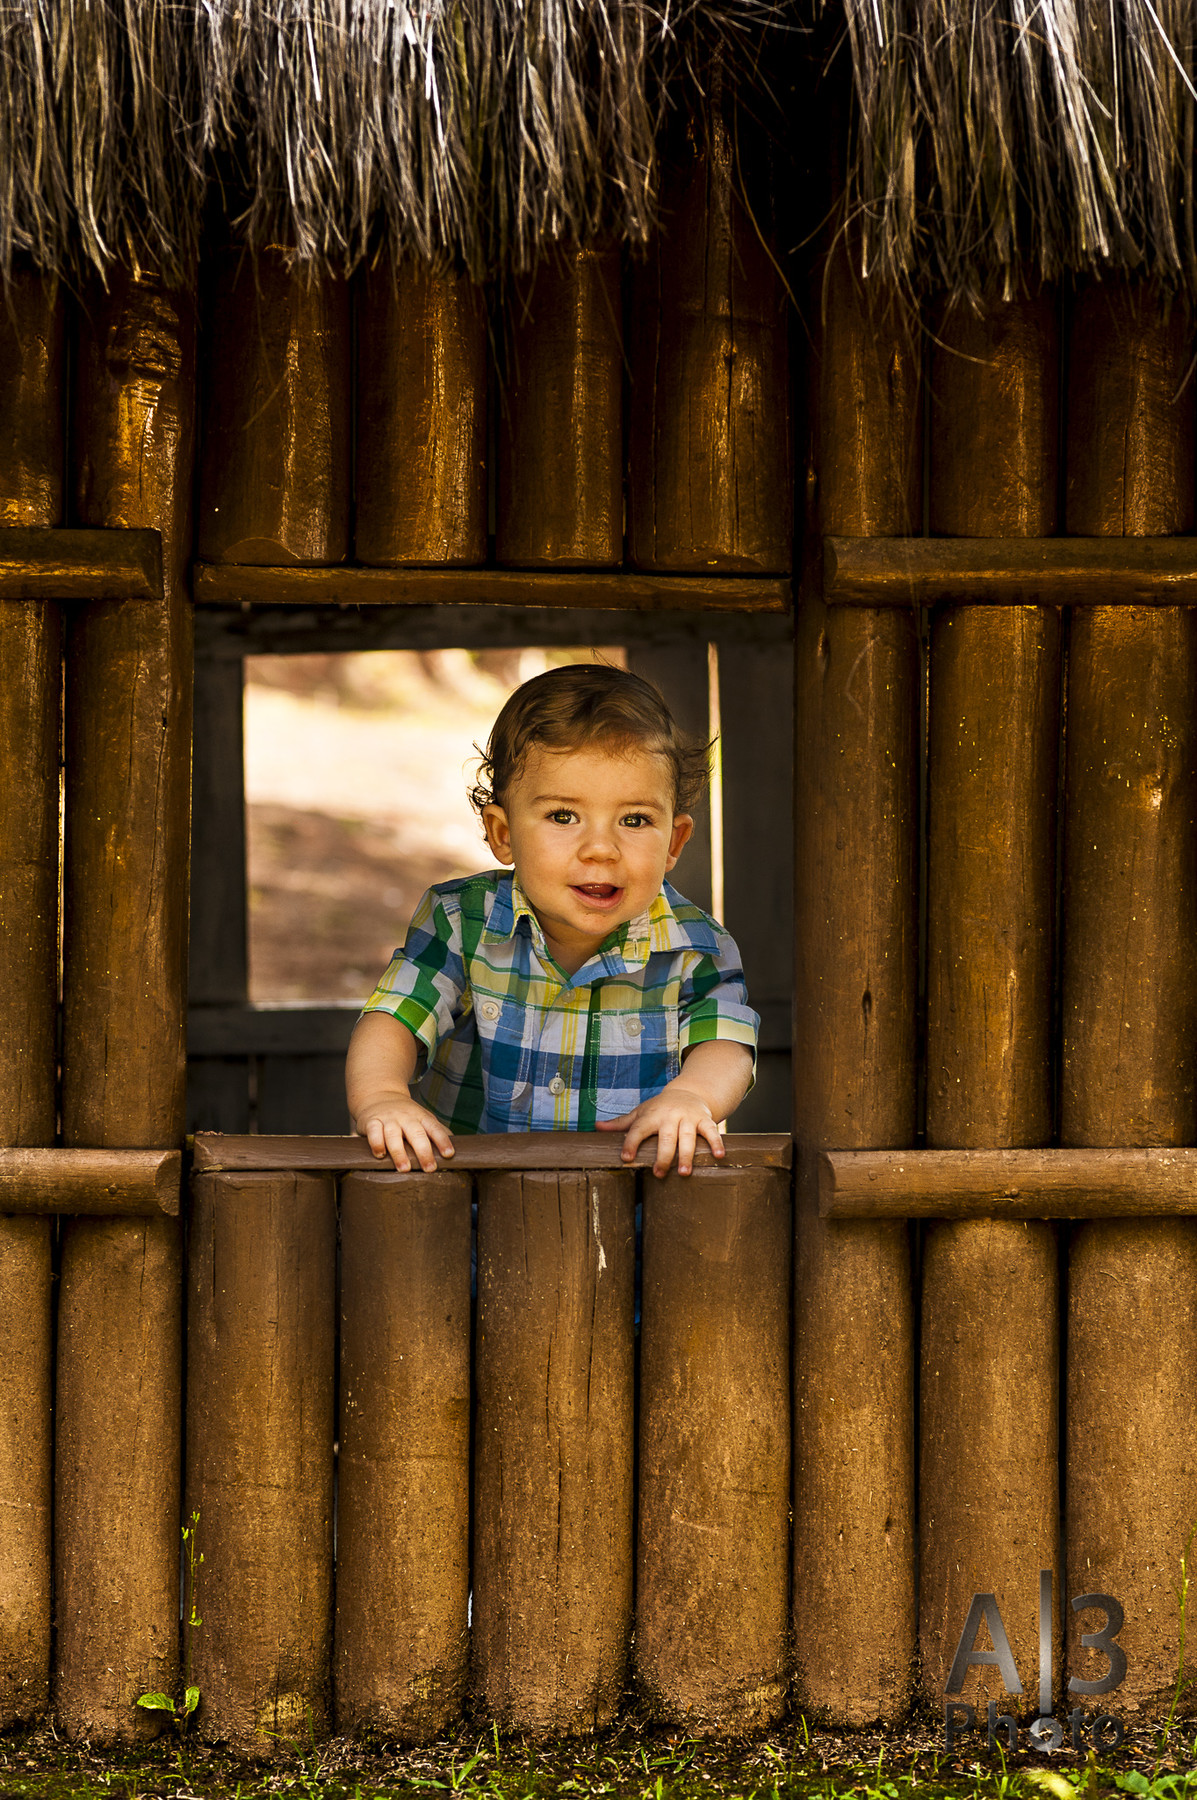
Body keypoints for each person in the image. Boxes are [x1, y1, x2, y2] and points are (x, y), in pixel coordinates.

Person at [345, 663, 758, 1177]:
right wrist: (382, 1097)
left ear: (673, 842)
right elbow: (395, 1018)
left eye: (634, 820)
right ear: (503, 834)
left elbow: (728, 1043)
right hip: (465, 1202)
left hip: (635, 1211)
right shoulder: (461, 922)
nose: (601, 849)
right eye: (564, 816)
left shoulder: (696, 947)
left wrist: (693, 1096)